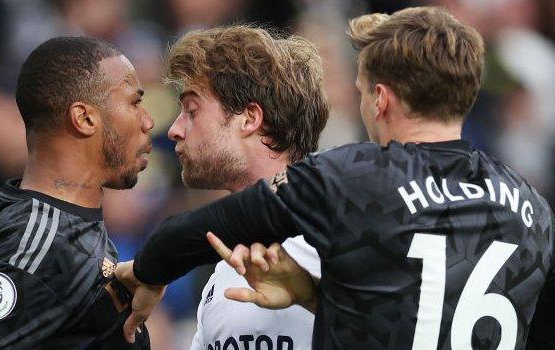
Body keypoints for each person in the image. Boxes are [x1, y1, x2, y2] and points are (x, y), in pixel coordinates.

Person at [117, 7, 555, 349]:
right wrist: (317, 299)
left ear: (380, 99)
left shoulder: (356, 177)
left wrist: (150, 270)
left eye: (362, 91)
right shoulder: (531, 206)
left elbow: (204, 229)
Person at [0, 37, 153, 349]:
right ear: (84, 118)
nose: (148, 121)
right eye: (134, 103)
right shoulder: (44, 245)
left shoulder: (6, 217)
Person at [167, 25, 328, 350]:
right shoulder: (222, 274)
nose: (175, 130)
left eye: (192, 112)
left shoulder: (334, 241)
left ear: (249, 118)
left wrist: (314, 298)